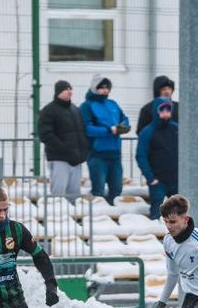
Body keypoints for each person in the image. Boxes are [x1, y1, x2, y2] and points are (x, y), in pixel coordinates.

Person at [78, 75, 131, 205]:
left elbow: (124, 118)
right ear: (94, 88)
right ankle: (98, 216)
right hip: (97, 155)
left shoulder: (112, 104)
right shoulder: (87, 106)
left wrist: (122, 127)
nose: (105, 90)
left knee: (117, 189)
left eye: (107, 87)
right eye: (101, 87)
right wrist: (109, 130)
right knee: (98, 191)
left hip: (115, 154)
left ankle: (113, 214)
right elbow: (87, 128)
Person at [38, 80, 89, 202]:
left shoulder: (75, 110)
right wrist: (64, 148)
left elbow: (81, 133)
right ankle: (56, 218)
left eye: (70, 88)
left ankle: (73, 218)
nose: (69, 91)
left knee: (74, 193)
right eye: (66, 89)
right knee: (58, 193)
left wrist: (83, 152)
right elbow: (45, 135)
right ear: (58, 92)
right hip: (59, 158)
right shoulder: (49, 110)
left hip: (76, 159)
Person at [136, 96, 179, 219]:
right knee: (157, 212)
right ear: (156, 111)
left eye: (168, 110)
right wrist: (150, 178)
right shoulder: (148, 131)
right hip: (158, 180)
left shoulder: (177, 129)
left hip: (176, 179)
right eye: (162, 110)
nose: (165, 113)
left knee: (179, 214)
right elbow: (141, 156)